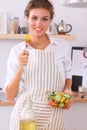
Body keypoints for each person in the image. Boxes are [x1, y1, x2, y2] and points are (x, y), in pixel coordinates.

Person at [4, 0, 74, 130]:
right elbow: (9, 96)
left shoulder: (62, 46)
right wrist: (20, 67)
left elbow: (68, 74)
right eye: (34, 18)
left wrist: (67, 90)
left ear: (50, 21)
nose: (38, 24)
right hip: (25, 116)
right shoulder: (17, 51)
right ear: (27, 18)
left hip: (55, 113)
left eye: (44, 19)